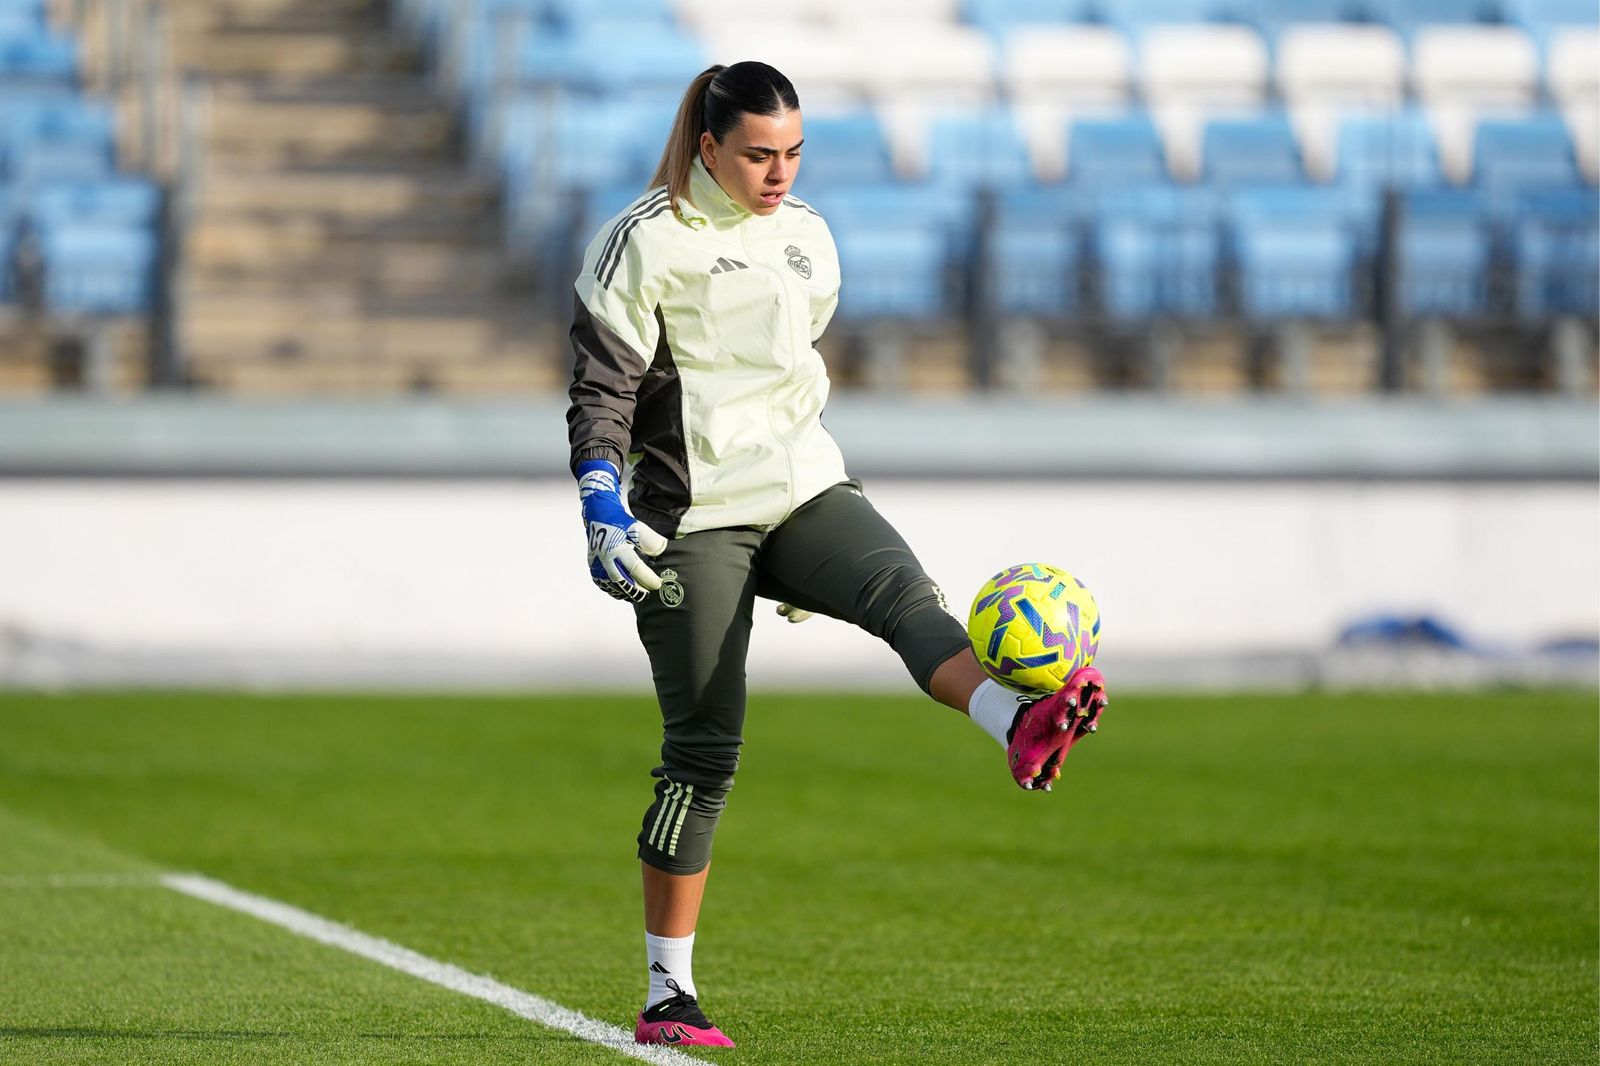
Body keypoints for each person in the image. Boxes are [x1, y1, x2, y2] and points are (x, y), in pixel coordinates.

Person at [566, 61, 1110, 1048]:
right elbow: (602, 391)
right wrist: (601, 499)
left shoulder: (809, 237)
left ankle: (1020, 721)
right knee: (703, 749)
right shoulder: (642, 243)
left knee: (907, 596)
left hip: (806, 489)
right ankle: (666, 996)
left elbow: (786, 376)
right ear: (708, 148)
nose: (780, 173)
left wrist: (802, 563)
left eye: (793, 154)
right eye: (759, 155)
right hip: (692, 520)